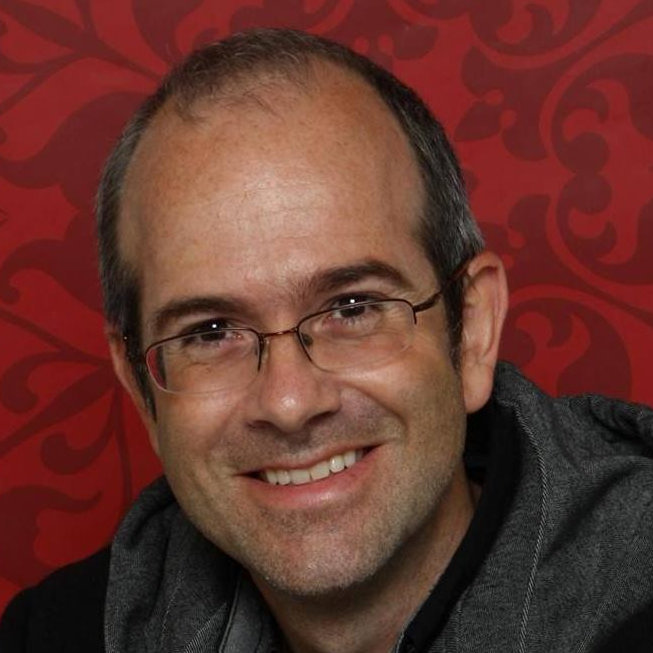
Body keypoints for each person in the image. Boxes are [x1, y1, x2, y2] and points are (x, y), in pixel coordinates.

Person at [1, 28, 652, 653]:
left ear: (472, 329)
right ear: (141, 387)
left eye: (351, 307)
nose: (289, 403)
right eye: (211, 332)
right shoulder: (58, 634)